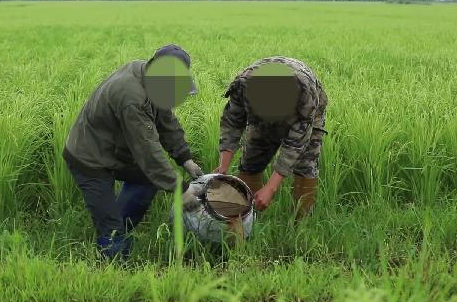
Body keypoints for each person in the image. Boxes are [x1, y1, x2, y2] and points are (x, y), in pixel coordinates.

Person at [63, 44, 205, 258]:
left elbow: (166, 121)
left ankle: (121, 229)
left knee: (148, 181)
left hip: (114, 151)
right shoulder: (131, 98)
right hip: (89, 158)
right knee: (111, 227)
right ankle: (113, 264)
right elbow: (148, 151)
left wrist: (185, 158)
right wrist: (180, 190)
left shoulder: (147, 73)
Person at [214, 56, 328, 221]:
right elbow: (232, 122)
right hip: (264, 109)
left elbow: (296, 144)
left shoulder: (305, 93)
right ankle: (247, 219)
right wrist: (223, 166)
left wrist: (271, 188)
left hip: (308, 111)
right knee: (251, 160)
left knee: (305, 163)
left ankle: (301, 223)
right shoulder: (243, 85)